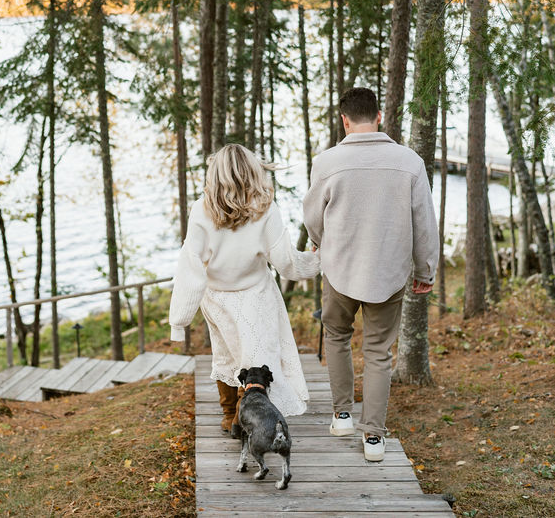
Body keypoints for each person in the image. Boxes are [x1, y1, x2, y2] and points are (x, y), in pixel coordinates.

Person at [303, 87, 439, 462]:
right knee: (379, 353)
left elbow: (313, 217)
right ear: (379, 116)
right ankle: (374, 438)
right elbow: (424, 223)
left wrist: (318, 242)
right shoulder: (410, 161)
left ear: (344, 120)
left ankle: (343, 415)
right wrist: (426, 268)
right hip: (389, 272)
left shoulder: (326, 162)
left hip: (340, 269)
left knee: (337, 336)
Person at [169, 144, 320, 436]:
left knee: (226, 353)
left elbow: (191, 267)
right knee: (255, 356)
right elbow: (286, 262)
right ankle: (240, 417)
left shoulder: (201, 209)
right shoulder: (265, 207)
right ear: (252, 171)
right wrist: (316, 260)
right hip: (255, 294)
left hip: (216, 297)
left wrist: (179, 322)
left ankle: (231, 416)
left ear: (216, 174)